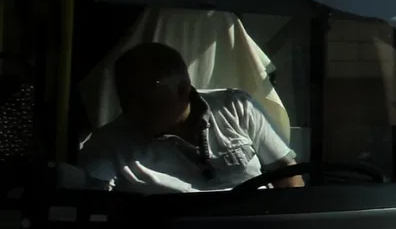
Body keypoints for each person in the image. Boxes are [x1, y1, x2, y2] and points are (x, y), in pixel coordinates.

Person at [80, 41, 303, 193]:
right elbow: (92, 201)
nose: (133, 113)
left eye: (146, 103)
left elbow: (287, 172)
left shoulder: (236, 107)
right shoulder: (108, 145)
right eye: (125, 101)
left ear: (183, 90)